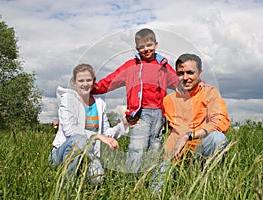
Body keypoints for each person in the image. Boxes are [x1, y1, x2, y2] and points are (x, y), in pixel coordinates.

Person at [92, 28, 178, 173]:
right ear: (137, 48)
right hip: (139, 114)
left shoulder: (163, 67)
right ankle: (132, 181)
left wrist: (198, 87)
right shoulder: (131, 66)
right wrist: (92, 88)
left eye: (149, 45)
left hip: (159, 114)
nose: (146, 49)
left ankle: (149, 179)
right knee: (137, 149)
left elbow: (179, 84)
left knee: (154, 149)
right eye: (141, 47)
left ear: (156, 44)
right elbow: (111, 80)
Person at [151, 53, 230, 193]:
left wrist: (188, 135)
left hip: (200, 153)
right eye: (181, 73)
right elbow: (158, 128)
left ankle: (207, 186)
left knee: (218, 139)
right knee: (154, 192)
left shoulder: (210, 93)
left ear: (200, 73)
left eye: (190, 72)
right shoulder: (168, 100)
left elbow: (219, 122)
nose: (185, 77)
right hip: (175, 157)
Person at [49, 63, 129, 184]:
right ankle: (65, 187)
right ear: (74, 82)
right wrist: (98, 136)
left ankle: (79, 171)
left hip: (87, 154)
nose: (85, 84)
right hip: (62, 154)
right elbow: (71, 132)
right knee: (78, 139)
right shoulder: (68, 100)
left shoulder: (100, 104)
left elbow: (106, 133)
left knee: (97, 179)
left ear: (93, 82)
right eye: (81, 80)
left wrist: (124, 124)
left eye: (88, 80)